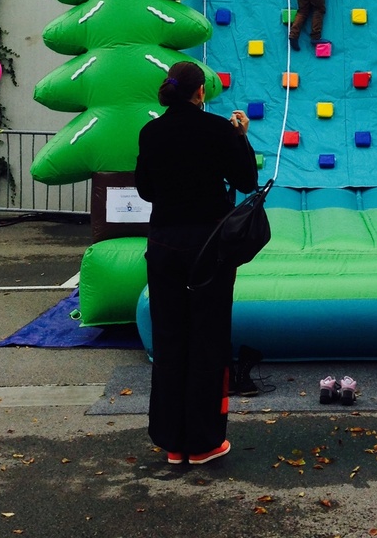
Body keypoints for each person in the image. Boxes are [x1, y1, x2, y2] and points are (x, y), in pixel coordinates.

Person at [134, 61, 258, 465]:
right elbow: (246, 181)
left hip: (165, 244)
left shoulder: (151, 132)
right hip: (208, 246)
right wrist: (240, 138)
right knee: (208, 337)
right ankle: (204, 441)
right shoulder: (218, 130)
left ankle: (172, 441)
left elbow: (146, 189)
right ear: (201, 92)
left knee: (170, 337)